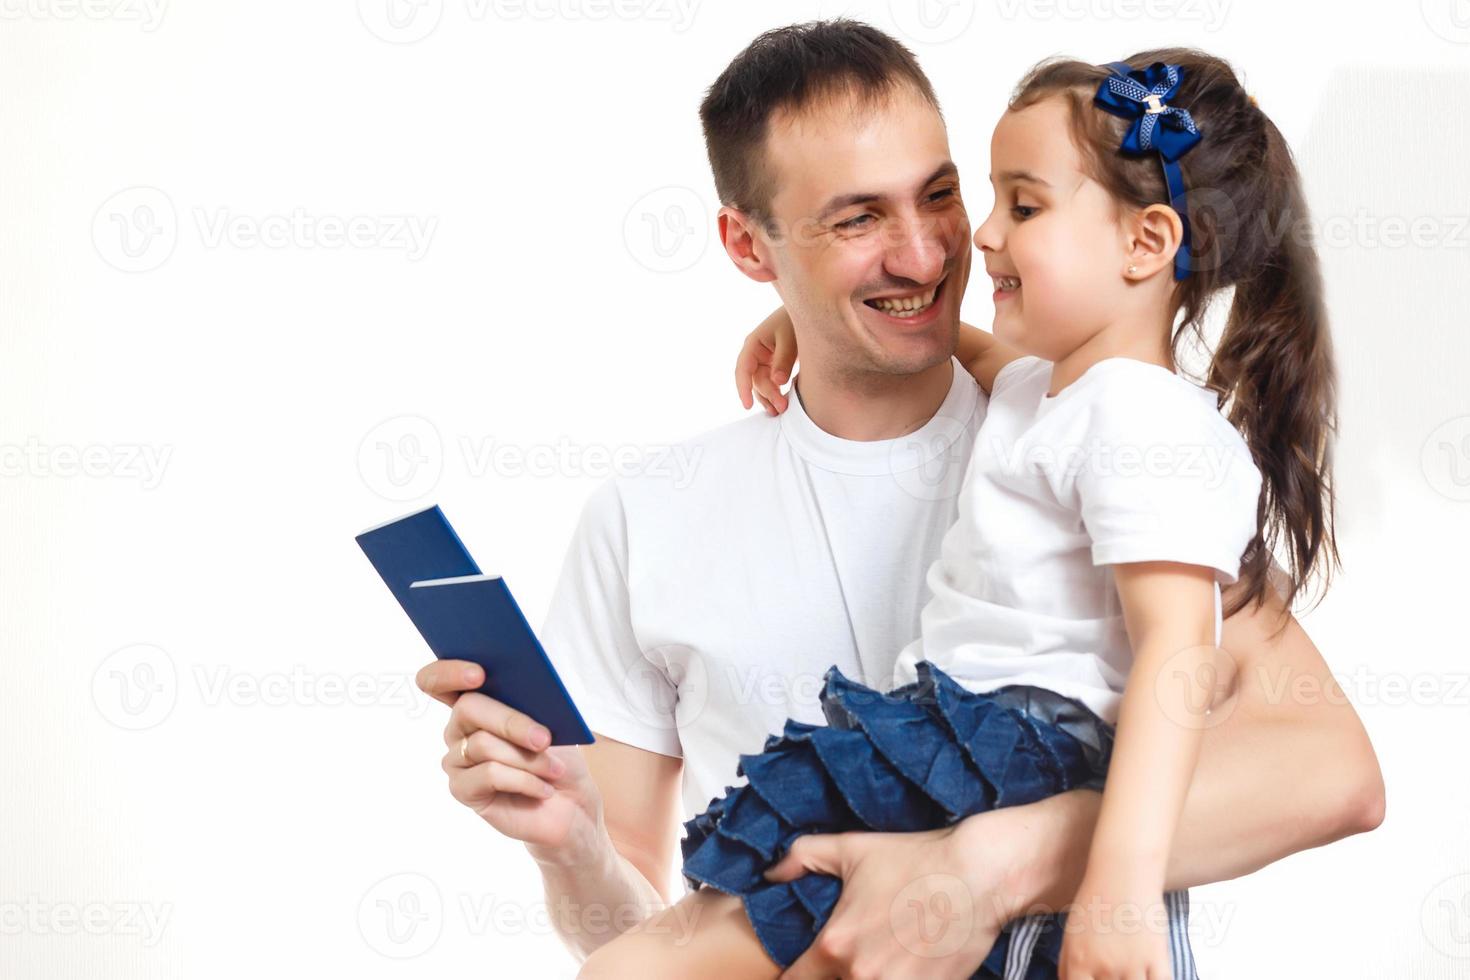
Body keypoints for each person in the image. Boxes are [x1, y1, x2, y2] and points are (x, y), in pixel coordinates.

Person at [414, 21, 1384, 979]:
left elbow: (1333, 772)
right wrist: (571, 839)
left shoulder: (1108, 434)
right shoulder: (649, 515)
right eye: (856, 219)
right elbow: (631, 934)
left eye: (945, 196)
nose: (928, 256)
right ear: (749, 246)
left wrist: (990, 865)